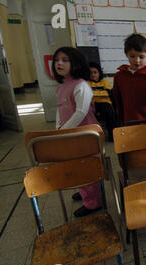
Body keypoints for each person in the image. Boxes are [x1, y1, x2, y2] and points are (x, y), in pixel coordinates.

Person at [53, 47, 102, 218]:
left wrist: (64, 130)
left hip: (84, 134)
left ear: (75, 64)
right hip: (70, 134)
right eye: (57, 59)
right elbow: (59, 109)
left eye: (65, 60)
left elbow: (81, 112)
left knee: (85, 165)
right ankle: (84, 191)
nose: (59, 63)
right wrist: (58, 127)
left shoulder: (81, 85)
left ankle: (93, 202)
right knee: (75, 164)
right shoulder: (61, 87)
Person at [88, 62, 117, 141]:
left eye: (95, 72)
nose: (93, 75)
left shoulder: (104, 82)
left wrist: (95, 93)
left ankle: (112, 135)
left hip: (105, 104)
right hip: (93, 104)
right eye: (90, 73)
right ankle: (93, 136)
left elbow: (108, 94)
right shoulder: (87, 83)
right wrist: (101, 93)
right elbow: (89, 95)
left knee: (109, 112)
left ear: (99, 73)